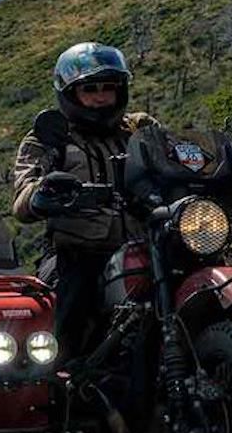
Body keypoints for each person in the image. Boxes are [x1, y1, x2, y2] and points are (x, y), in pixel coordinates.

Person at [10, 42, 148, 357]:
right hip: (77, 252)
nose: (101, 97)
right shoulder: (49, 138)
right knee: (70, 305)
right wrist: (44, 193)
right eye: (90, 89)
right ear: (71, 95)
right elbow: (21, 198)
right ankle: (62, 382)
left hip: (144, 244)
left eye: (108, 88)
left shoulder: (138, 130)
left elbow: (174, 159)